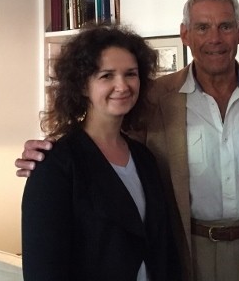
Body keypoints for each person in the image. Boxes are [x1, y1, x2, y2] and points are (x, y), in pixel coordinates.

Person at [17, 0, 239, 281]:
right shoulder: (156, 99)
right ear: (185, 34)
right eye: (202, 27)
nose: (215, 38)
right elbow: (94, 143)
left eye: (226, 26)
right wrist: (47, 147)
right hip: (185, 254)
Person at [21, 25, 180, 281]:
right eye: (107, 76)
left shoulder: (144, 157)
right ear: (83, 85)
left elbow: (161, 247)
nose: (122, 85)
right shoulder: (56, 165)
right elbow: (44, 269)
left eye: (131, 74)